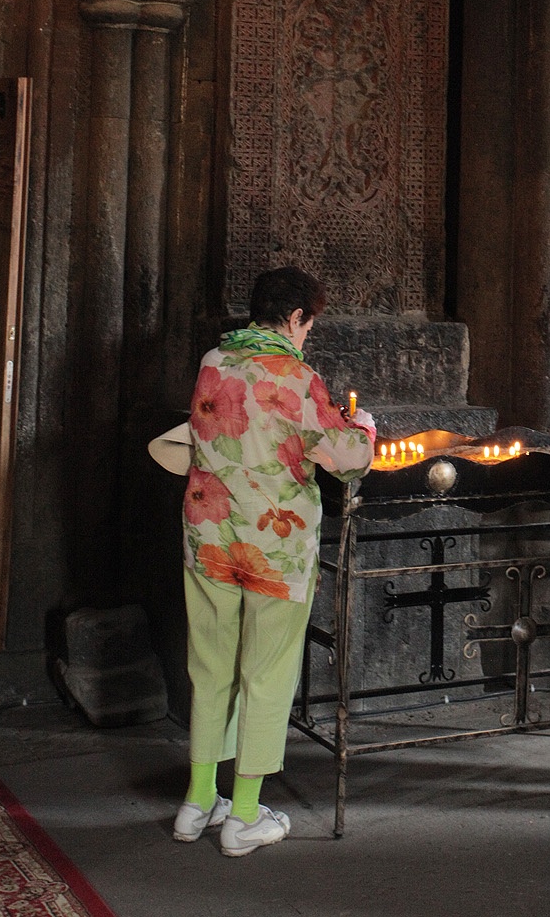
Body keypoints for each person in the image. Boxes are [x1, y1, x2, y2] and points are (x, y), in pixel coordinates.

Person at [173, 266, 375, 855]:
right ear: (294, 318)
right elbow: (345, 458)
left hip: (208, 538)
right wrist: (362, 429)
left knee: (209, 669)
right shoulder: (296, 376)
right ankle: (242, 817)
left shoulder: (213, 361)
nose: (307, 333)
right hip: (273, 550)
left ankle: (197, 802)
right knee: (266, 675)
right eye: (309, 323)